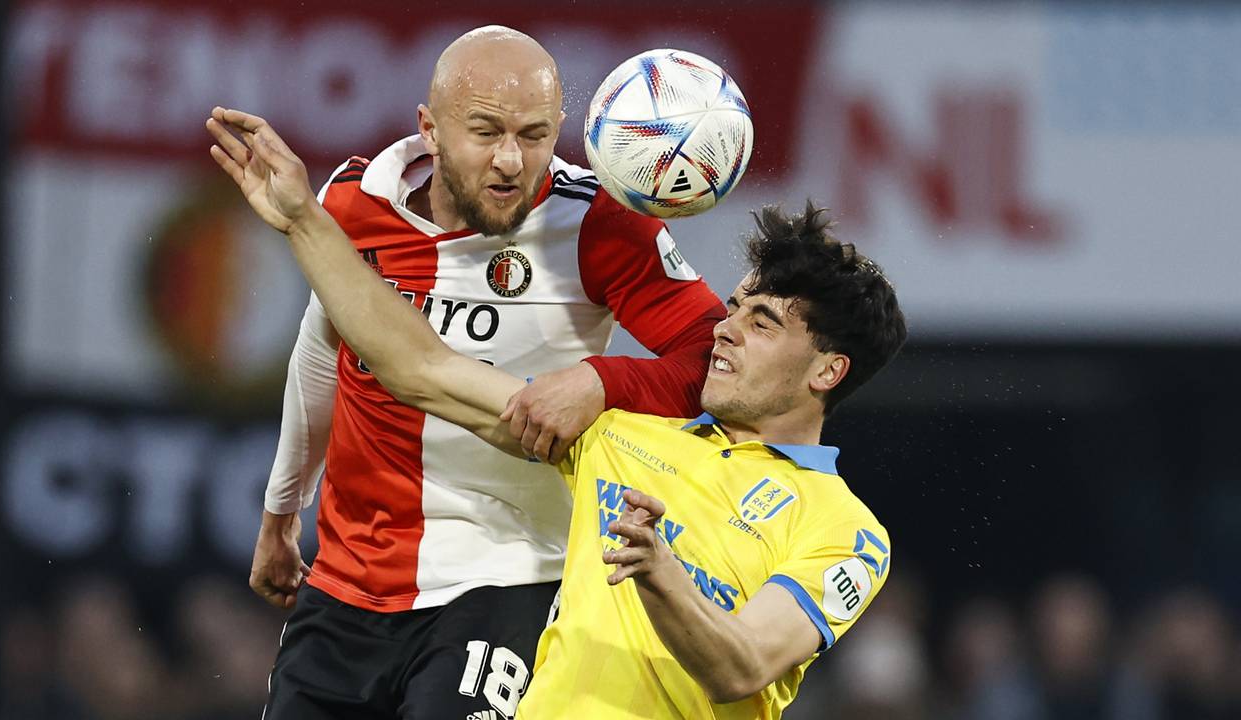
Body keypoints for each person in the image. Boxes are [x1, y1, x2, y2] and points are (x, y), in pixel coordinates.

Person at [207, 105, 908, 718]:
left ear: (828, 369)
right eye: (732, 310)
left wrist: (660, 573)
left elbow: (743, 668)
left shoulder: (846, 531)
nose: (723, 330)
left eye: (762, 323)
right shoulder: (620, 439)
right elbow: (419, 366)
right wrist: (304, 220)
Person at [230, 25, 724, 720]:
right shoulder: (352, 206)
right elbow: (321, 350)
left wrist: (602, 382)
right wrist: (282, 512)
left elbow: (713, 361)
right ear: (429, 129)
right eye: (486, 131)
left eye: (534, 135)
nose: (511, 160)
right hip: (348, 581)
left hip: (512, 579)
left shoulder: (600, 223)